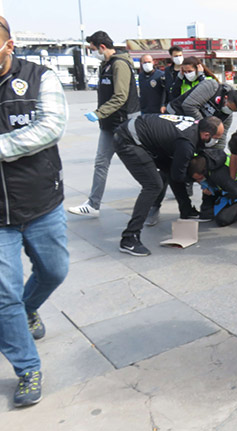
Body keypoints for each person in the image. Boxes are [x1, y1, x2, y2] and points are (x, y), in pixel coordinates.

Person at [0, 16, 69, 407]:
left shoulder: (41, 77)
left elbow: (50, 127)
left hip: (42, 201)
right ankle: (27, 368)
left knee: (54, 271)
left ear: (9, 46)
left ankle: (28, 310)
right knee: (3, 294)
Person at [112, 115, 224, 256]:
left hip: (140, 133)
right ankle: (129, 238)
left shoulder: (195, 126)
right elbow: (179, 176)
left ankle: (187, 211)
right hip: (128, 141)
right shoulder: (187, 143)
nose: (217, 141)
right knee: (153, 186)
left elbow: (176, 170)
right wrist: (200, 180)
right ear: (206, 134)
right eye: (216, 137)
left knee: (172, 168)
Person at [68, 30, 139, 218]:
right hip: (109, 124)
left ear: (102, 47)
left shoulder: (120, 65)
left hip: (122, 124)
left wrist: (98, 113)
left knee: (138, 162)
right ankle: (93, 204)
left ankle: (155, 194)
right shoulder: (105, 65)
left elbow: (121, 96)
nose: (91, 52)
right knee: (101, 162)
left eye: (92, 49)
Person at [167, 82, 237, 149]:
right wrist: (206, 126)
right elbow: (188, 105)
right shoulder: (212, 87)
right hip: (174, 116)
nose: (229, 111)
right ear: (226, 98)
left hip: (190, 128)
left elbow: (221, 136)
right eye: (229, 108)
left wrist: (217, 154)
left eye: (233, 110)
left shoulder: (227, 116)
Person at [189, 150, 237, 227]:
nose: (198, 181)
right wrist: (205, 187)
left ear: (204, 172)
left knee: (223, 220)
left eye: (200, 178)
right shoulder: (204, 163)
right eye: (196, 180)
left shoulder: (219, 175)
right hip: (227, 188)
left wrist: (220, 193)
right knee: (206, 214)